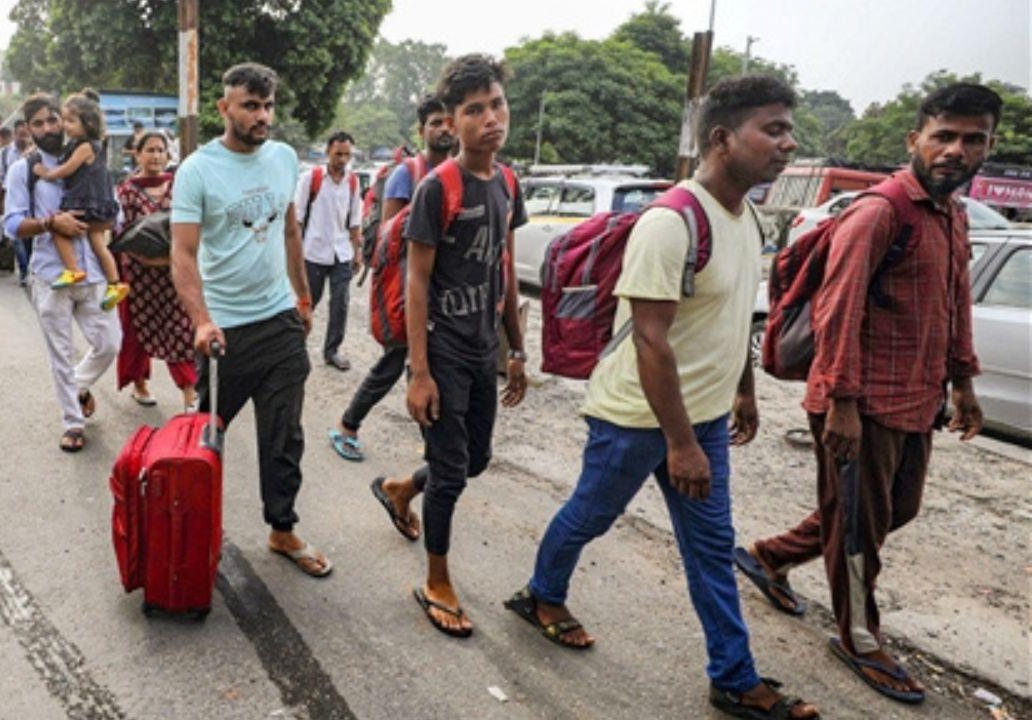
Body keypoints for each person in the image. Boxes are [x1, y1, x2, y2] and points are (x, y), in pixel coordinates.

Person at [503, 76, 819, 719]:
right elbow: (650, 340)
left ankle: (734, 676)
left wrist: (744, 390)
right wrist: (680, 445)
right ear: (724, 139)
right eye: (775, 129)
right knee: (590, 516)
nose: (790, 144)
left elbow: (731, 319)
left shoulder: (749, 216)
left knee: (711, 546)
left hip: (698, 418)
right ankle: (541, 593)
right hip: (634, 418)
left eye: (789, 129)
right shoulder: (670, 222)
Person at [737, 83, 998, 706]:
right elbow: (838, 312)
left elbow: (954, 304)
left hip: (917, 401)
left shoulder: (952, 215)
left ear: (988, 146)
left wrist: (962, 382)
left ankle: (769, 556)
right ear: (916, 140)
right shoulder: (880, 213)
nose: (956, 150)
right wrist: (841, 406)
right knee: (859, 528)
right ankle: (859, 638)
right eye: (944, 136)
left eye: (973, 139)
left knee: (892, 511)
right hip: (861, 404)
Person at [371, 55, 528, 638]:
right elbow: (416, 281)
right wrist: (418, 372)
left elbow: (504, 270)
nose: (490, 119)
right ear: (452, 121)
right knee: (453, 471)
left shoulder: (509, 182)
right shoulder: (440, 187)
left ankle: (399, 488)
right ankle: (437, 578)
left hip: (483, 346)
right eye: (474, 110)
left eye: (497, 105)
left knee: (475, 459)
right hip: (440, 350)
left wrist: (516, 350)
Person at [170, 62, 331, 578]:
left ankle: (282, 528)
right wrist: (200, 319)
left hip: (279, 320)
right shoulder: (198, 169)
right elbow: (183, 253)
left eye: (267, 106)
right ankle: (192, 529)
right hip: (224, 332)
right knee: (206, 436)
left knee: (284, 437)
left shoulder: (284, 159)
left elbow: (288, 232)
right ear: (225, 108)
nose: (262, 116)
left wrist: (303, 299)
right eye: (250, 106)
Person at [329, 94, 454, 461]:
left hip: (444, 291)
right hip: (409, 289)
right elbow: (388, 237)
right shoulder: (408, 174)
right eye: (435, 123)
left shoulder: (461, 173)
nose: (444, 128)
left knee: (420, 366)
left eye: (449, 121)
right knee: (400, 363)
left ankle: (430, 446)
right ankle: (350, 426)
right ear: (422, 131)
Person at [4, 93, 121, 452]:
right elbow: (11, 224)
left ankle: (78, 388)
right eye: (38, 123)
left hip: (94, 270)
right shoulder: (23, 169)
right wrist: (50, 222)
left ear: (68, 120)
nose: (49, 128)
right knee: (61, 352)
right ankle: (72, 422)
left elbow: (114, 214)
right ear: (28, 129)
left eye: (53, 119)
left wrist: (92, 223)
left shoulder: (90, 157)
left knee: (109, 343)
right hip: (51, 273)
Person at [114, 131, 197, 409]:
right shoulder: (125, 192)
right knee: (136, 334)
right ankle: (139, 384)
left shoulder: (179, 186)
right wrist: (145, 260)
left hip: (175, 274)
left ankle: (189, 393)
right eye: (149, 150)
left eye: (161, 150)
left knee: (181, 332)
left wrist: (172, 260)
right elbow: (121, 234)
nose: (156, 156)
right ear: (137, 155)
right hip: (139, 277)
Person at [31, 89, 128, 311]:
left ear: (88, 122)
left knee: (58, 227)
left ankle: (73, 269)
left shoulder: (85, 147)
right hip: (96, 204)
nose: (65, 125)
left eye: (71, 121)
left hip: (85, 202)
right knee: (98, 244)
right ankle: (115, 283)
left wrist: (46, 173)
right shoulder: (81, 144)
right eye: (64, 120)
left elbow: (66, 169)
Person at [294, 131, 362, 372]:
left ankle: (332, 351)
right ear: (327, 152)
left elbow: (354, 221)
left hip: (341, 253)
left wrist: (357, 251)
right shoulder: (310, 179)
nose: (343, 159)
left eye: (347, 155)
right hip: (313, 252)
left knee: (340, 304)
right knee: (308, 302)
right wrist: (294, 254)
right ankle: (295, 348)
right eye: (338, 154)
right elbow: (297, 219)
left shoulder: (353, 182)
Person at [0, 119, 32, 284]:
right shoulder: (4, 153)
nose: (23, 139)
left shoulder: (36, 154)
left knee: (30, 239)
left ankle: (31, 269)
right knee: (17, 238)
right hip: (12, 202)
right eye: (20, 135)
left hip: (32, 202)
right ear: (14, 135)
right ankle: (24, 271)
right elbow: (0, 179)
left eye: (26, 135)